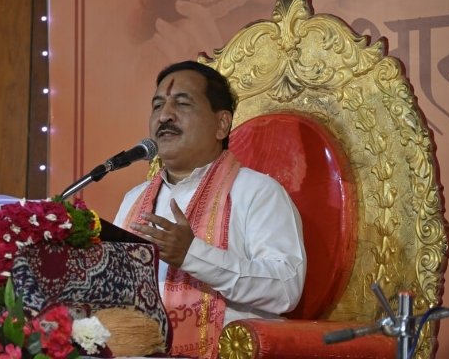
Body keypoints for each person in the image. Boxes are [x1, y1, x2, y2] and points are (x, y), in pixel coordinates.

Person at [114, 60, 306, 358]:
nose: (164, 116)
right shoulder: (133, 200)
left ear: (221, 124)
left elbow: (285, 288)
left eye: (182, 103)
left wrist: (192, 255)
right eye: (157, 105)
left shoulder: (257, 192)